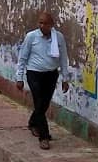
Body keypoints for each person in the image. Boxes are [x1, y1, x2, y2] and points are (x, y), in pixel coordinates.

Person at [15, 10, 70, 149]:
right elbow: (22, 57)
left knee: (44, 104)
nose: (42, 26)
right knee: (39, 102)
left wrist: (65, 78)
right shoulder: (31, 37)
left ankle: (33, 122)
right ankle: (44, 136)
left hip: (51, 74)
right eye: (40, 22)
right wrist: (19, 77)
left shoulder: (58, 38)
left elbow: (63, 58)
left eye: (45, 23)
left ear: (51, 25)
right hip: (34, 73)